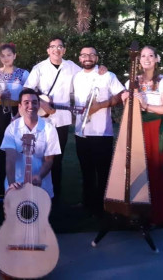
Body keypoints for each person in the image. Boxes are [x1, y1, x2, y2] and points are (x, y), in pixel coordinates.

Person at [122, 46, 163, 226]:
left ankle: (156, 214)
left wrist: (146, 106)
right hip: (137, 127)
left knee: (156, 168)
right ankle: (136, 211)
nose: (146, 59)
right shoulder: (133, 81)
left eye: (150, 55)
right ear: (138, 61)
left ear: (157, 59)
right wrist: (125, 98)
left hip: (156, 128)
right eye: (142, 56)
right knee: (137, 168)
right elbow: (128, 105)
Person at [23, 36, 81, 202]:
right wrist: (41, 102)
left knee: (57, 157)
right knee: (40, 155)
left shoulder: (71, 67)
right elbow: (27, 89)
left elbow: (87, 75)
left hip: (61, 119)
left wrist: (101, 69)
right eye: (53, 46)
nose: (56, 49)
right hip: (42, 119)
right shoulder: (39, 68)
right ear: (48, 50)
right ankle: (37, 191)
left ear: (64, 50)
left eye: (60, 46)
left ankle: (56, 194)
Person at [73, 46, 125, 217]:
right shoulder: (76, 76)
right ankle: (88, 203)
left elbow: (120, 95)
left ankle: (105, 205)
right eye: (84, 55)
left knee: (102, 171)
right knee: (85, 169)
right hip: (81, 132)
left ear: (96, 58)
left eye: (91, 54)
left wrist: (100, 106)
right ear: (80, 58)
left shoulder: (107, 75)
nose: (87, 57)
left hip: (102, 133)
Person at [0, 43, 29, 197]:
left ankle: (18, 183)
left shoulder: (23, 74)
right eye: (3, 55)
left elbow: (27, 97)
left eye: (9, 55)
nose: (6, 58)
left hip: (17, 112)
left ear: (15, 56)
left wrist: (19, 115)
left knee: (16, 147)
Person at [0, 88, 61, 197]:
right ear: (20, 106)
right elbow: (10, 158)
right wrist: (12, 184)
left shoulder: (49, 129)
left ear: (38, 105)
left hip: (41, 186)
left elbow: (49, 160)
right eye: (26, 102)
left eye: (34, 102)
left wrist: (39, 176)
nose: (31, 106)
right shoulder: (12, 128)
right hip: (17, 184)